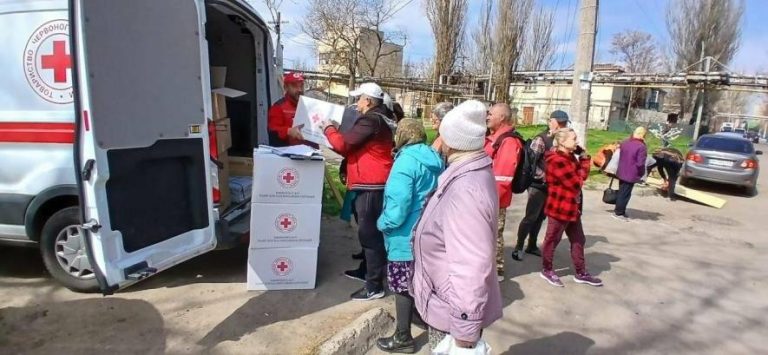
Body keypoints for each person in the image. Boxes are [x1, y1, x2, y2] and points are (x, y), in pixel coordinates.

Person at [412, 100, 503, 351]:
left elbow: (472, 265)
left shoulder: (466, 190)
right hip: (448, 299)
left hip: (451, 310)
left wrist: (464, 333)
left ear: (450, 140)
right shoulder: (467, 172)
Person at [319, 82, 395, 301]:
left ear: (369, 101)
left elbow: (344, 146)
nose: (356, 103)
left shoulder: (371, 120)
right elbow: (348, 144)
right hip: (370, 182)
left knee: (369, 234)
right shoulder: (378, 119)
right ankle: (367, 272)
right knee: (368, 231)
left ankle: (374, 286)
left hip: (371, 183)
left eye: (359, 98)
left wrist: (328, 128)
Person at [375, 119, 444, 353]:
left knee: (401, 286)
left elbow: (398, 206)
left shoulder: (405, 162)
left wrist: (383, 223)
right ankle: (421, 317)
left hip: (405, 236)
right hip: (428, 233)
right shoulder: (434, 158)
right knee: (420, 281)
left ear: (402, 136)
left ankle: (403, 338)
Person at [540, 128, 603, 287]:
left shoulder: (569, 157)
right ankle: (547, 270)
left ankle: (581, 272)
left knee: (578, 239)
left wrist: (582, 158)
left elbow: (581, 177)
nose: (577, 142)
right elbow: (576, 183)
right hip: (559, 208)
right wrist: (584, 161)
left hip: (573, 208)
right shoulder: (557, 160)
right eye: (574, 139)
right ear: (562, 141)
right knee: (552, 239)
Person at [512, 110, 569, 261]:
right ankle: (518, 246)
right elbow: (531, 164)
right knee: (531, 217)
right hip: (538, 185)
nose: (562, 125)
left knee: (540, 217)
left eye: (564, 123)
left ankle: (532, 245)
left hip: (552, 186)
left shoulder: (563, 139)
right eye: (560, 122)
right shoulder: (542, 139)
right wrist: (545, 177)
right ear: (552, 122)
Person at [483, 103, 522, 281]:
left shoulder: (508, 141)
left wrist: (491, 200)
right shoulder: (493, 137)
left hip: (495, 199)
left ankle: (497, 270)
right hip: (485, 195)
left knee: (494, 234)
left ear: (502, 118)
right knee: (486, 233)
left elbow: (503, 177)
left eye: (491, 114)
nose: (487, 116)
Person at [613, 127, 648, 221]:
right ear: (643, 135)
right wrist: (641, 173)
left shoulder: (625, 142)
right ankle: (619, 212)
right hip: (631, 173)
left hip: (621, 170)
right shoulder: (641, 147)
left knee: (622, 191)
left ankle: (621, 210)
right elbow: (640, 163)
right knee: (625, 193)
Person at [267, 72, 305, 146]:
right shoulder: (278, 107)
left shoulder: (308, 106)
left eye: (301, 86)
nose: (300, 90)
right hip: (288, 154)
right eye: (294, 86)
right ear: (285, 87)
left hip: (311, 154)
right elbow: (272, 131)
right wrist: (289, 131)